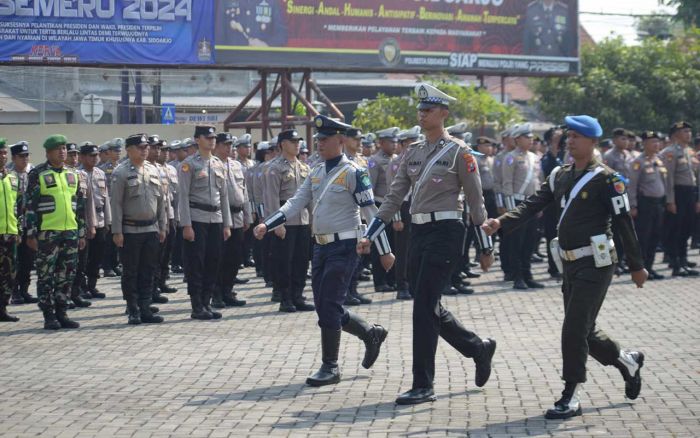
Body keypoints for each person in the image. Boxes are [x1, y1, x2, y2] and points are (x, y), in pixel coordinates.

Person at [483, 115, 647, 420]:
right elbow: (532, 204)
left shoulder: (607, 179)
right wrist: (500, 222)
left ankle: (571, 394)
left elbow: (624, 223)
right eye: (568, 136)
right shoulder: (560, 175)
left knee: (573, 328)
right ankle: (626, 361)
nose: (570, 141)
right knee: (584, 330)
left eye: (577, 137)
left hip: (597, 263)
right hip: (569, 262)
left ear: (593, 142)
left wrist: (637, 266)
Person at [359, 84, 497, 405]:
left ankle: (423, 384)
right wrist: (372, 231)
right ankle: (478, 348)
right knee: (428, 304)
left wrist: (486, 247)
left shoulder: (460, 152)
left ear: (444, 114)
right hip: (417, 234)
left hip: (447, 232)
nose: (422, 115)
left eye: (429, 110)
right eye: (420, 110)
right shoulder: (413, 151)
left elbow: (476, 203)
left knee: (423, 308)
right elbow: (394, 196)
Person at [255, 115, 391, 387]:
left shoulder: (354, 172)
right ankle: (369, 333)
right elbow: (295, 202)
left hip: (345, 245)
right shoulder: (315, 172)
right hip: (319, 246)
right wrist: (267, 224)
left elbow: (371, 212)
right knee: (324, 305)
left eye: (325, 139)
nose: (319, 144)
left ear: (340, 141)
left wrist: (384, 250)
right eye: (317, 140)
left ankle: (330, 366)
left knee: (329, 304)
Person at [25, 135, 86, 330]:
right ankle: (48, 315)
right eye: (57, 149)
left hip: (70, 233)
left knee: (66, 274)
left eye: (64, 148)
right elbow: (30, 206)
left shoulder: (72, 174)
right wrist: (31, 233)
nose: (62, 152)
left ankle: (62, 312)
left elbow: (80, 205)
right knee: (46, 275)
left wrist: (82, 231)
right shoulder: (38, 174)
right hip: (47, 234)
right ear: (48, 152)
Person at [111, 134, 167, 325]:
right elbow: (116, 204)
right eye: (140, 147)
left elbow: (161, 200)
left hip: (151, 228)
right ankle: (133, 309)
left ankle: (145, 308)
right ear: (129, 149)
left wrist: (162, 225)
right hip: (130, 230)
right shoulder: (121, 172)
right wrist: (117, 231)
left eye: (146, 147)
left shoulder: (152, 170)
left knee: (148, 271)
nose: (145, 150)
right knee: (131, 272)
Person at [178, 126, 232, 320]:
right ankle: (196, 305)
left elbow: (224, 195)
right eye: (207, 137)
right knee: (196, 263)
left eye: (213, 138)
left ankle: (207, 302)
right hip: (197, 219)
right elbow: (182, 196)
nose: (212, 141)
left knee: (213, 262)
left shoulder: (218, 164)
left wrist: (227, 224)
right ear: (197, 139)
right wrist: (186, 224)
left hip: (215, 219)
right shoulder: (188, 164)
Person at [263, 129, 315, 312]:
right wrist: (276, 223)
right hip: (285, 220)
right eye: (292, 141)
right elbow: (271, 199)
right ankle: (285, 299)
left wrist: (313, 220)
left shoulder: (304, 167)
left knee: (301, 260)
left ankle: (298, 296)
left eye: (298, 141)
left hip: (302, 220)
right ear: (282, 144)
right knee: (284, 261)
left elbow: (310, 196)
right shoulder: (274, 167)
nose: (297, 144)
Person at [501, 124, 545, 290]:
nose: (531, 139)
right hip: (518, 203)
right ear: (517, 139)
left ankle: (528, 275)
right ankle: (517, 276)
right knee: (517, 242)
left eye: (531, 137)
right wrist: (511, 209)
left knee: (530, 242)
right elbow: (507, 184)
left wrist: (540, 204)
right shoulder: (510, 157)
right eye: (527, 137)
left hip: (532, 203)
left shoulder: (535, 157)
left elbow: (539, 182)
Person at [213, 132, 251, 308]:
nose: (229, 148)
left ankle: (228, 291)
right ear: (217, 146)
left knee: (235, 258)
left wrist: (247, 215)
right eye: (225, 144)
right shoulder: (212, 165)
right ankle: (217, 293)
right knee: (220, 258)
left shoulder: (236, 165)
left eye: (231, 145)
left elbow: (244, 192)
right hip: (220, 218)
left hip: (237, 216)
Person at [661, 121, 699, 276]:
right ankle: (675, 262)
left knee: (687, 227)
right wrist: (670, 200)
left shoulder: (689, 151)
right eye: (685, 131)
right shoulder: (670, 152)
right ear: (676, 135)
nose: (688, 134)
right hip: (678, 193)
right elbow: (668, 178)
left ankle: (683, 260)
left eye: (689, 131)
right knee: (676, 229)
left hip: (690, 192)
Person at [628, 131, 667, 280]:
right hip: (645, 204)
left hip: (659, 204)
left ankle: (650, 267)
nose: (656, 144)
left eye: (657, 142)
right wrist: (633, 205)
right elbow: (632, 186)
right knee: (644, 237)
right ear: (644, 144)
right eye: (652, 142)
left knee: (655, 236)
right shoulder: (638, 162)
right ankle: (641, 269)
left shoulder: (659, 160)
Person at [368, 127, 399, 292]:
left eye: (395, 142)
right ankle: (380, 281)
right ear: (381, 143)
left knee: (393, 244)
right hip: (379, 205)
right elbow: (370, 188)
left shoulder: (396, 159)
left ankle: (392, 278)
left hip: (394, 206)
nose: (394, 145)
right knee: (379, 244)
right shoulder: (374, 161)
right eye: (390, 142)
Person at [78, 142, 111, 299]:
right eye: (91, 156)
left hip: (100, 219)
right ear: (82, 157)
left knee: (97, 255)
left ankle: (92, 285)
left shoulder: (100, 173)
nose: (95, 158)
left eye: (96, 155)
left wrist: (109, 220)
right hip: (84, 220)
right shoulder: (77, 174)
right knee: (83, 257)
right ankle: (81, 287)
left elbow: (106, 199)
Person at [66, 142, 96, 308]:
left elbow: (88, 203)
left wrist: (90, 225)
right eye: (71, 154)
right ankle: (66, 295)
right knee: (67, 265)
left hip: (80, 224)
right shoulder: (62, 175)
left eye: (76, 154)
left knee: (81, 263)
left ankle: (76, 293)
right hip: (66, 226)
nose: (74, 157)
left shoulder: (82, 176)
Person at [8, 141, 38, 305]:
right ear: (14, 158)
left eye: (27, 156)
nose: (25, 159)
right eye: (21, 156)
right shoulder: (8, 174)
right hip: (13, 225)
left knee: (28, 259)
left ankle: (25, 290)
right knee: (14, 260)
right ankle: (14, 291)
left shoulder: (32, 172)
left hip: (29, 224)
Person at [0, 138, 20, 322]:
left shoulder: (12, 177)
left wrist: (18, 230)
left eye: (4, 153)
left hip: (10, 233)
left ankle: (3, 308)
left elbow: (18, 206)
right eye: (0, 153)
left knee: (9, 273)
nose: (3, 156)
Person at [99, 139, 123, 278]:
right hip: (108, 207)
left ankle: (115, 264)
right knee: (108, 239)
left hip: (120, 207)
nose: (118, 154)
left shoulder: (122, 167)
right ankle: (107, 266)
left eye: (119, 151)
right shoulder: (103, 169)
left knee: (118, 239)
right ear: (109, 152)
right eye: (115, 151)